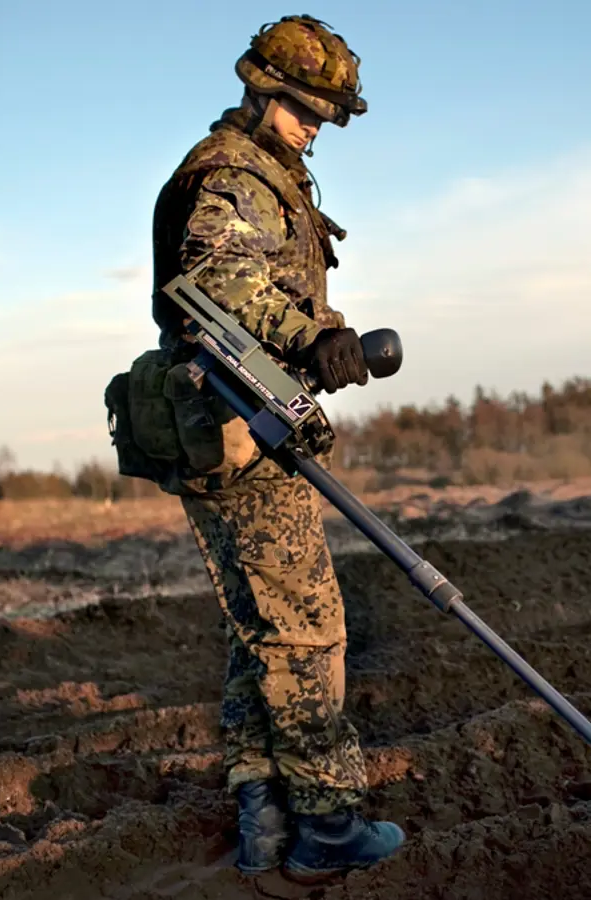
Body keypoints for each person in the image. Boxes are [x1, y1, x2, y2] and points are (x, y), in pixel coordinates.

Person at [147, 14, 404, 881]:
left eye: (323, 116)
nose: (313, 127)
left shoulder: (265, 172)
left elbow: (252, 284)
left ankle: (261, 815)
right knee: (306, 630)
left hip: (231, 424)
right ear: (261, 89)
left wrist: (319, 333)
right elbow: (216, 277)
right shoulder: (236, 175)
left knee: (257, 629)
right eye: (300, 109)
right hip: (238, 428)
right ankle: (327, 827)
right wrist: (310, 335)